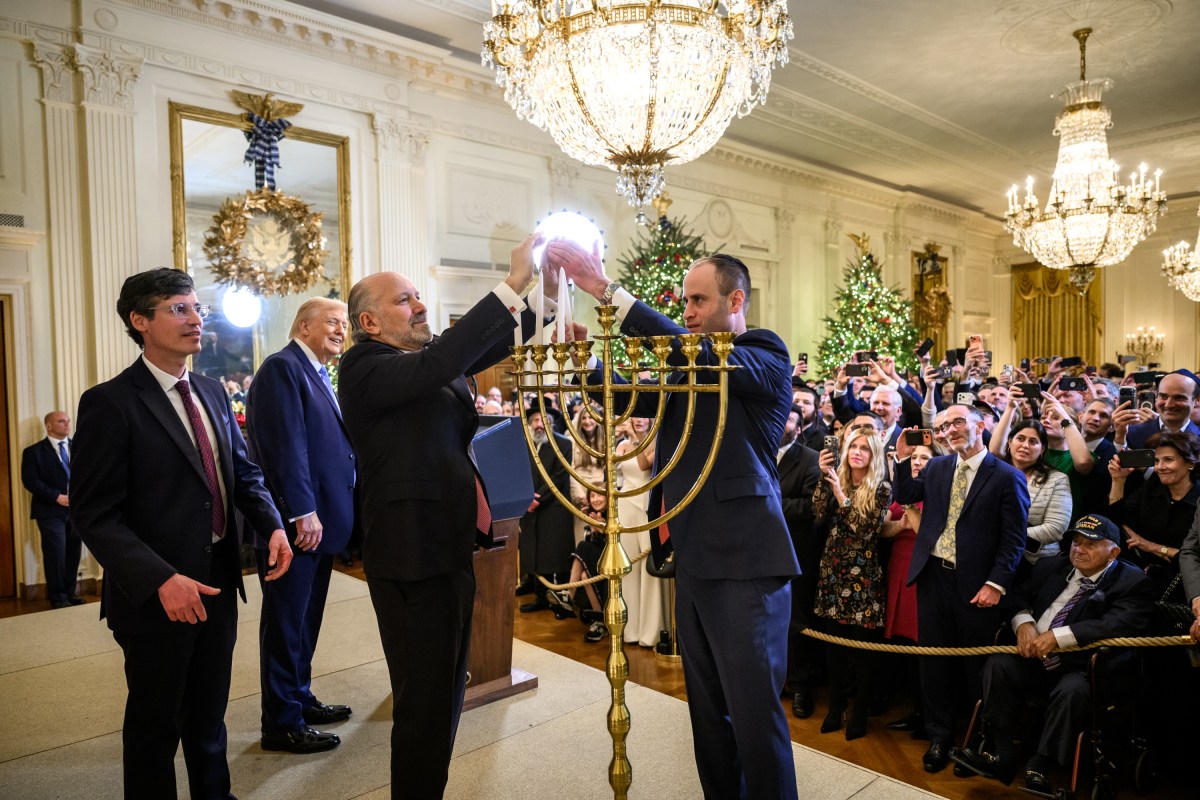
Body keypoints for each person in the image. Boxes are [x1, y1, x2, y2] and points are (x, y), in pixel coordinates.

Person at [550, 242, 799, 799]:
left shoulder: (762, 352)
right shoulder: (684, 365)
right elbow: (621, 395)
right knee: (709, 718)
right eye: (683, 301)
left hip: (746, 563)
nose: (687, 311)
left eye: (698, 299)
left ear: (736, 300)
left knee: (755, 718)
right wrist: (585, 361)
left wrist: (604, 289)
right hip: (692, 558)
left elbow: (703, 358)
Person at [70, 268, 292, 799]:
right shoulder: (110, 402)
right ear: (139, 320)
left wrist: (273, 525)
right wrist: (160, 579)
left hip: (217, 581)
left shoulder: (213, 391)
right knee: (155, 724)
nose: (196, 320)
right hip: (155, 595)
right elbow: (95, 513)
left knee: (209, 713)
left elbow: (243, 473)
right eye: (179, 309)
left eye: (198, 309)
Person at [338, 234, 542, 799]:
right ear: (370, 323)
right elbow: (448, 357)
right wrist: (512, 281)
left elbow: (480, 347)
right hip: (408, 554)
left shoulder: (426, 365)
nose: (422, 306)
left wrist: (546, 290)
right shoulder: (363, 367)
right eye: (405, 300)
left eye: (418, 297)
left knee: (448, 689)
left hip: (448, 545)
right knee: (423, 701)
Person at [950, 515, 1155, 795]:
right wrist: (1023, 623)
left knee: (1071, 690)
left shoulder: (1132, 583)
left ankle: (1041, 764)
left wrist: (1057, 637)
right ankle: (1003, 752)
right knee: (999, 664)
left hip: (1084, 670)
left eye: (1091, 544)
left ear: (1114, 552)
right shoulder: (1050, 566)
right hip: (1035, 661)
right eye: (1076, 542)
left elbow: (1115, 624)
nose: (1079, 549)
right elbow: (1017, 596)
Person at [245, 298, 357, 754]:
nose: (341, 332)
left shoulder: (314, 371)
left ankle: (299, 697)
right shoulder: (281, 368)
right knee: (286, 623)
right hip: (298, 526)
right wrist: (300, 511)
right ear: (304, 326)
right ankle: (281, 722)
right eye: (333, 323)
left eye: (344, 325)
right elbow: (284, 447)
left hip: (321, 523)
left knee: (306, 620)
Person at [892, 404, 1030, 774]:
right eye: (941, 427)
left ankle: (973, 742)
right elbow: (905, 493)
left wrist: (996, 584)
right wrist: (903, 459)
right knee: (933, 662)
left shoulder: (1006, 476)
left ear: (980, 425)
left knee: (974, 667)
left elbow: (1014, 540)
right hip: (932, 576)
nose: (948, 430)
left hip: (977, 586)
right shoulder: (937, 467)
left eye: (956, 422)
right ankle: (939, 737)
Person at [812, 429, 891, 740]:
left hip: (864, 579)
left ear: (873, 456)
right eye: (852, 446)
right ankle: (835, 707)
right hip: (832, 573)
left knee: (863, 653)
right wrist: (824, 479)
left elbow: (865, 531)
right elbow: (817, 514)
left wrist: (843, 498)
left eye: (864, 448)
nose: (857, 452)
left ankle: (859, 712)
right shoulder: (837, 479)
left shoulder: (882, 488)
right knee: (833, 648)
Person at [879, 443, 932, 736]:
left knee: (919, 643)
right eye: (913, 457)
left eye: (925, 457)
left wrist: (907, 513)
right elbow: (885, 530)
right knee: (897, 641)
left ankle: (924, 713)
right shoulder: (897, 491)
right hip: (897, 565)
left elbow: (924, 530)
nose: (918, 462)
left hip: (921, 571)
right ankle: (905, 704)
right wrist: (899, 527)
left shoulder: (933, 493)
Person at [778, 405, 822, 719]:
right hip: (760, 551)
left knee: (797, 620)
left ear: (800, 425)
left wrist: (768, 504)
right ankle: (775, 681)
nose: (783, 422)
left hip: (797, 550)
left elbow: (811, 507)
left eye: (790, 418)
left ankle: (802, 686)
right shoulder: (759, 452)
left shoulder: (810, 458)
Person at [989, 416, 1072, 572]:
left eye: (1033, 442)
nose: (1025, 446)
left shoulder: (1057, 480)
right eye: (1020, 438)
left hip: (1036, 563)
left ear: (1042, 449)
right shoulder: (992, 474)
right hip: (990, 558)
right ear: (1009, 442)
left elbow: (1055, 528)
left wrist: (1003, 536)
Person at [518, 406, 575, 618]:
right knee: (537, 555)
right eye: (534, 421)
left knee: (556, 556)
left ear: (551, 423)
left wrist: (536, 499)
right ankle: (541, 598)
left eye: (543, 420)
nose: (539, 425)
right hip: (530, 508)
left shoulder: (563, 444)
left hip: (554, 508)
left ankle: (561, 602)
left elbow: (558, 478)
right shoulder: (526, 445)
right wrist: (526, 498)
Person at [21, 410, 82, 608]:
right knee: (55, 553)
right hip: (49, 511)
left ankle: (70, 593)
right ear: (49, 426)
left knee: (73, 552)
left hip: (76, 510)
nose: (67, 424)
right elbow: (31, 481)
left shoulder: (79, 447)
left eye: (68, 421)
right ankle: (58, 597)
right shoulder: (33, 452)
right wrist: (56, 497)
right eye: (61, 421)